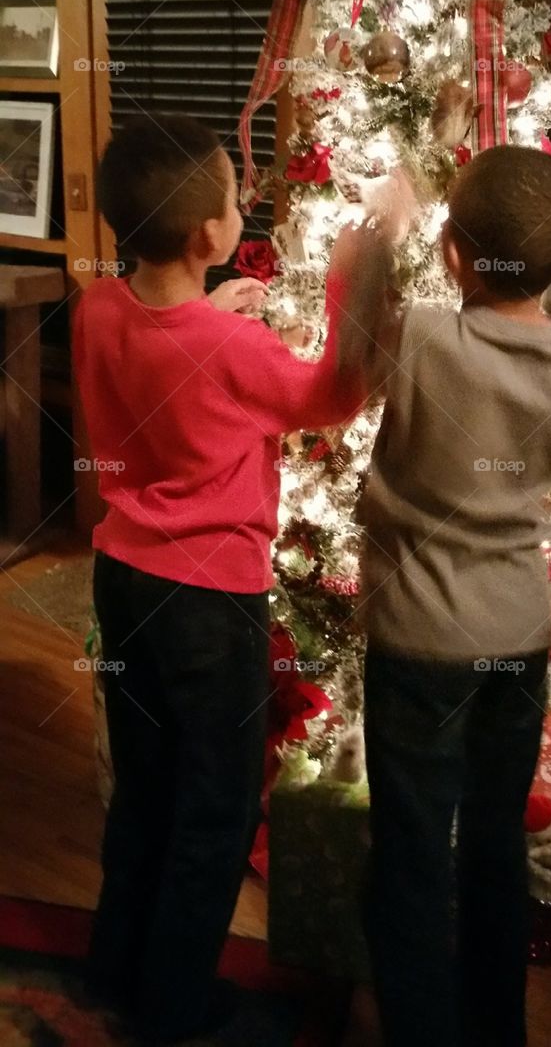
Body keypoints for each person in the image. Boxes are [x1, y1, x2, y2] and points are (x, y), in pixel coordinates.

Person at [73, 113, 364, 1043]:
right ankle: (173, 1005)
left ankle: (113, 966)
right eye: (236, 199)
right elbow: (335, 395)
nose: (243, 207)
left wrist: (213, 311)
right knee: (217, 804)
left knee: (149, 787)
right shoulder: (234, 352)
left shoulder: (97, 308)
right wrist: (358, 265)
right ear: (209, 235)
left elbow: (165, 337)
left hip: (123, 580)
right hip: (208, 603)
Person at [344, 145, 551, 1047]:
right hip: (514, 640)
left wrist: (386, 225)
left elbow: (352, 337)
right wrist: (543, 243)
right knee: (495, 842)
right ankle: (497, 1027)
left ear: (452, 257)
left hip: (418, 642)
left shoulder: (422, 335)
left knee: (413, 851)